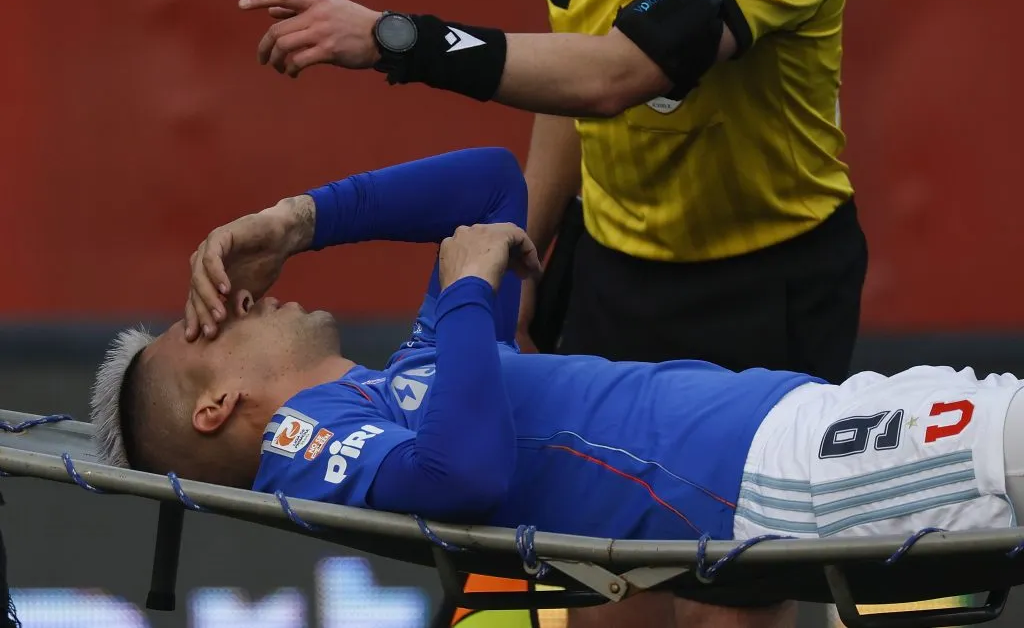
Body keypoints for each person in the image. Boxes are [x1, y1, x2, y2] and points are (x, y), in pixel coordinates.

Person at [92, 150, 1016, 626]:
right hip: (779, 481)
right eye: (202, 327)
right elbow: (463, 479)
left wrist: (300, 219)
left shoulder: (411, 373)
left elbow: (493, 181)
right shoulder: (307, 444)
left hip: (810, 424)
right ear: (217, 409)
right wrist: (462, 289)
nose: (239, 297)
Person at [236, 0, 866, 624]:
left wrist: (395, 38)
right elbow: (570, 82)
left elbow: (617, 74)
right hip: (613, 265)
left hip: (768, 280)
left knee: (726, 605)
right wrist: (523, 248)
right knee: (601, 591)